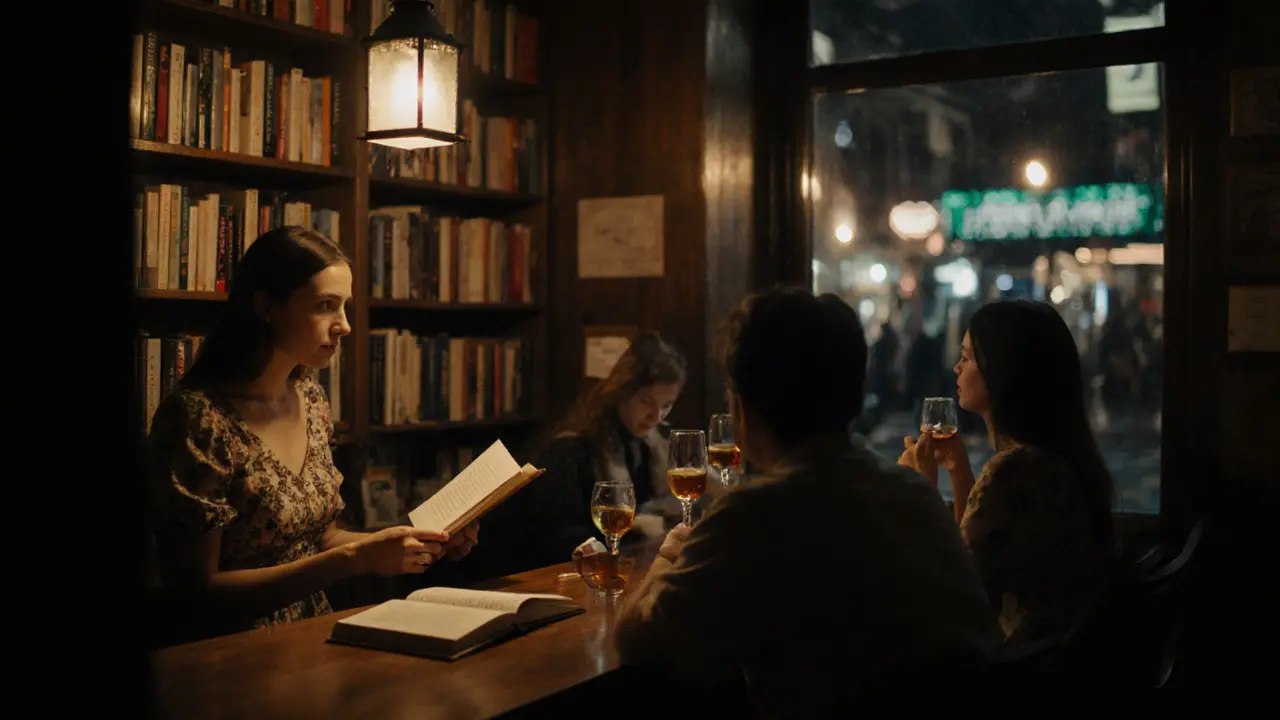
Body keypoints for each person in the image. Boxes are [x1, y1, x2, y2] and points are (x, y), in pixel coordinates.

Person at [613, 287, 1000, 716]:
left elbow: (637, 642)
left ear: (741, 406)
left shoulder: (755, 514)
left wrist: (669, 555)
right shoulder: (912, 494)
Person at [146, 226, 479, 641]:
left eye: (345, 307)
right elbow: (196, 594)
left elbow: (319, 537)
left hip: (315, 635)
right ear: (266, 307)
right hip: (230, 655)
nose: (344, 326)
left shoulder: (310, 398)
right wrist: (355, 559)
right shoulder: (198, 420)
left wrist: (407, 542)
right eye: (325, 305)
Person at [899, 298, 1117, 644]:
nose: (956, 367)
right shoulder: (1048, 459)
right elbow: (974, 553)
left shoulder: (1018, 472)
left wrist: (920, 487)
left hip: (1009, 677)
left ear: (1002, 370)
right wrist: (959, 475)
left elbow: (952, 594)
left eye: (967, 357)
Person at [474, 332, 693, 578]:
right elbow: (559, 540)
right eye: (646, 402)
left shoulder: (648, 445)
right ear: (622, 392)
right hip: (538, 577)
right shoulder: (572, 448)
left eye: (666, 405)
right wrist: (637, 532)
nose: (657, 417)